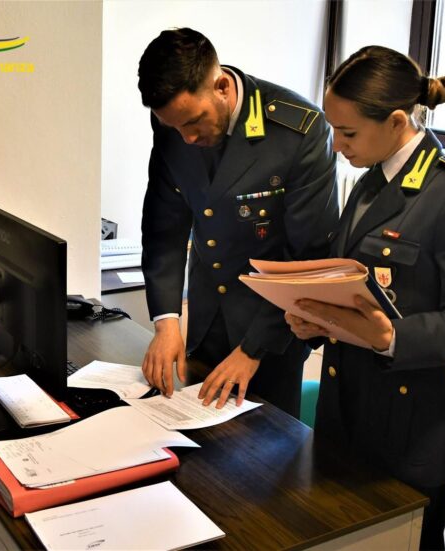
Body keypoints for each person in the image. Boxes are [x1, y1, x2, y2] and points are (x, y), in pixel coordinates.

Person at [285, 46, 445, 550]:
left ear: (397, 121)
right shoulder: (371, 179)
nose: (336, 145)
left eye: (348, 132)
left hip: (412, 425)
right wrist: (319, 320)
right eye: (333, 129)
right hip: (348, 414)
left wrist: (391, 337)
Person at [136, 28, 338, 418]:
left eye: (194, 122)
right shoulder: (173, 123)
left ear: (222, 87)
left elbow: (306, 257)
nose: (187, 138)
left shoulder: (299, 131)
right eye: (175, 127)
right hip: (207, 316)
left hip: (274, 326)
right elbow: (163, 226)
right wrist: (166, 321)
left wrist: (253, 349)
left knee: (269, 442)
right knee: (197, 434)